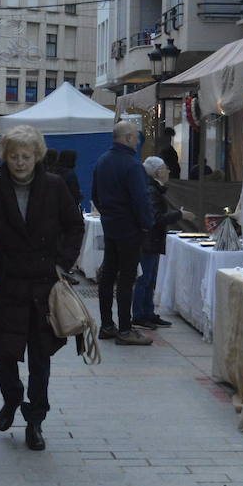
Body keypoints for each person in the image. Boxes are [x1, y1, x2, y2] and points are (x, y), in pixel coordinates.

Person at [0, 126, 84, 451]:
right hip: (3, 285)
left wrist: (63, 262)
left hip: (42, 287)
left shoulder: (54, 186)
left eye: (26, 156)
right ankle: (12, 397)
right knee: (4, 352)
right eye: (14, 156)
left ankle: (35, 419)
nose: (20, 162)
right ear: (5, 157)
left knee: (40, 358)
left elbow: (74, 225)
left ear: (37, 157)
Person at [92, 120, 155, 344]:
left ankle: (107, 325)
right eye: (136, 136)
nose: (137, 141)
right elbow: (140, 199)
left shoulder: (102, 161)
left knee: (108, 275)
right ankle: (126, 330)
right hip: (129, 228)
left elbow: (95, 195)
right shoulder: (132, 164)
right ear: (127, 137)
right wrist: (147, 223)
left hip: (111, 226)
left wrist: (108, 215)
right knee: (127, 279)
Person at [132, 157, 194, 330]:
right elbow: (155, 219)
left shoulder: (153, 188)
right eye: (166, 168)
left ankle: (148, 312)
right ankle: (139, 315)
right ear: (158, 171)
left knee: (150, 280)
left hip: (152, 240)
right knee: (144, 279)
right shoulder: (152, 190)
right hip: (148, 241)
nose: (169, 171)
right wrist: (179, 215)